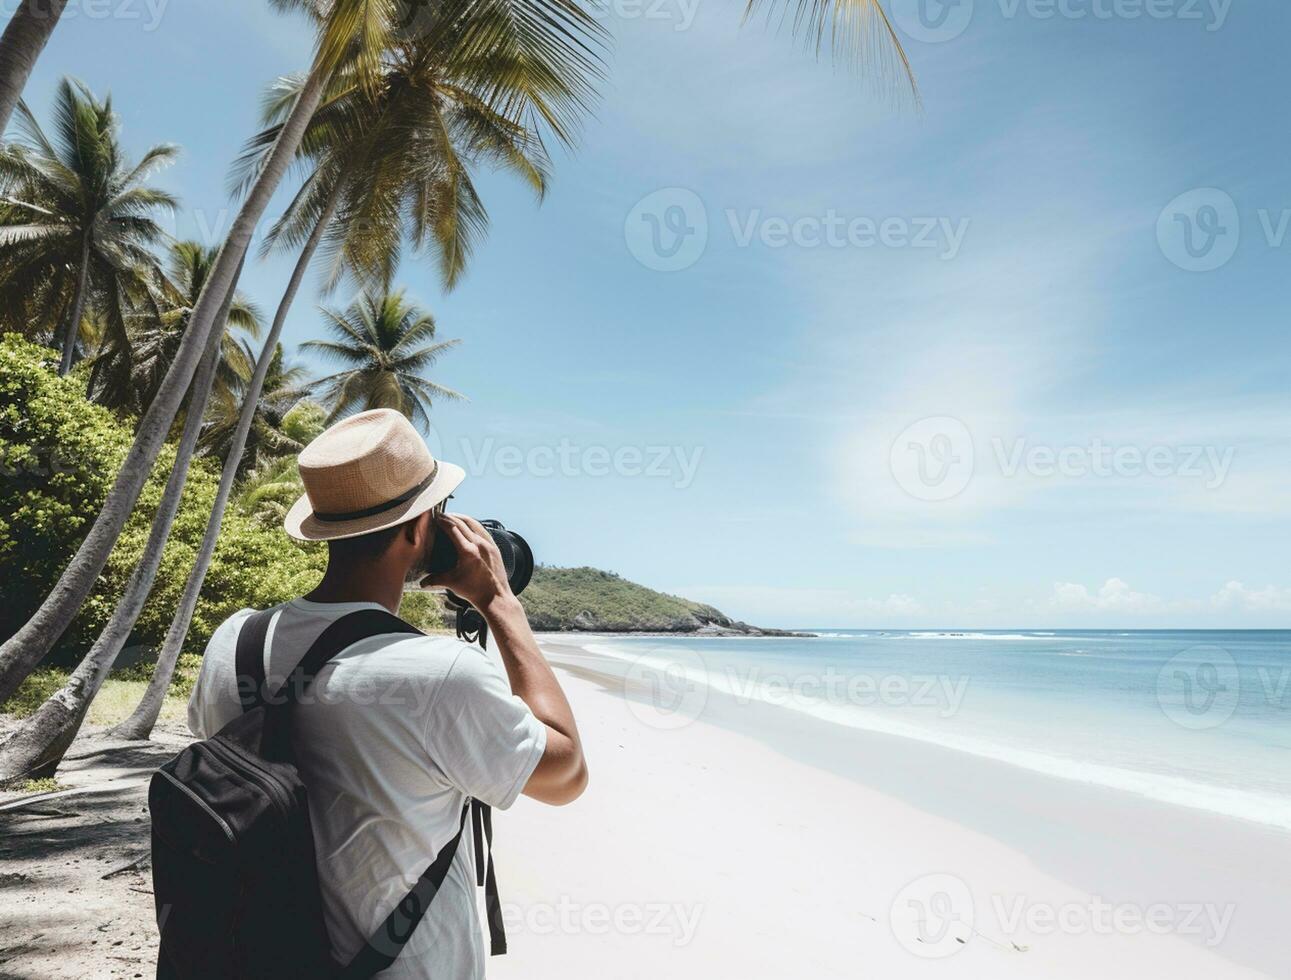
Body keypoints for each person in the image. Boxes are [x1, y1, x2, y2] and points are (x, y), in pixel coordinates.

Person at [186, 408, 588, 979]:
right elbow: (567, 773)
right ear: (417, 527)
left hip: (256, 958)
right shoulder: (440, 674)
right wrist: (499, 601)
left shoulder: (236, 641)